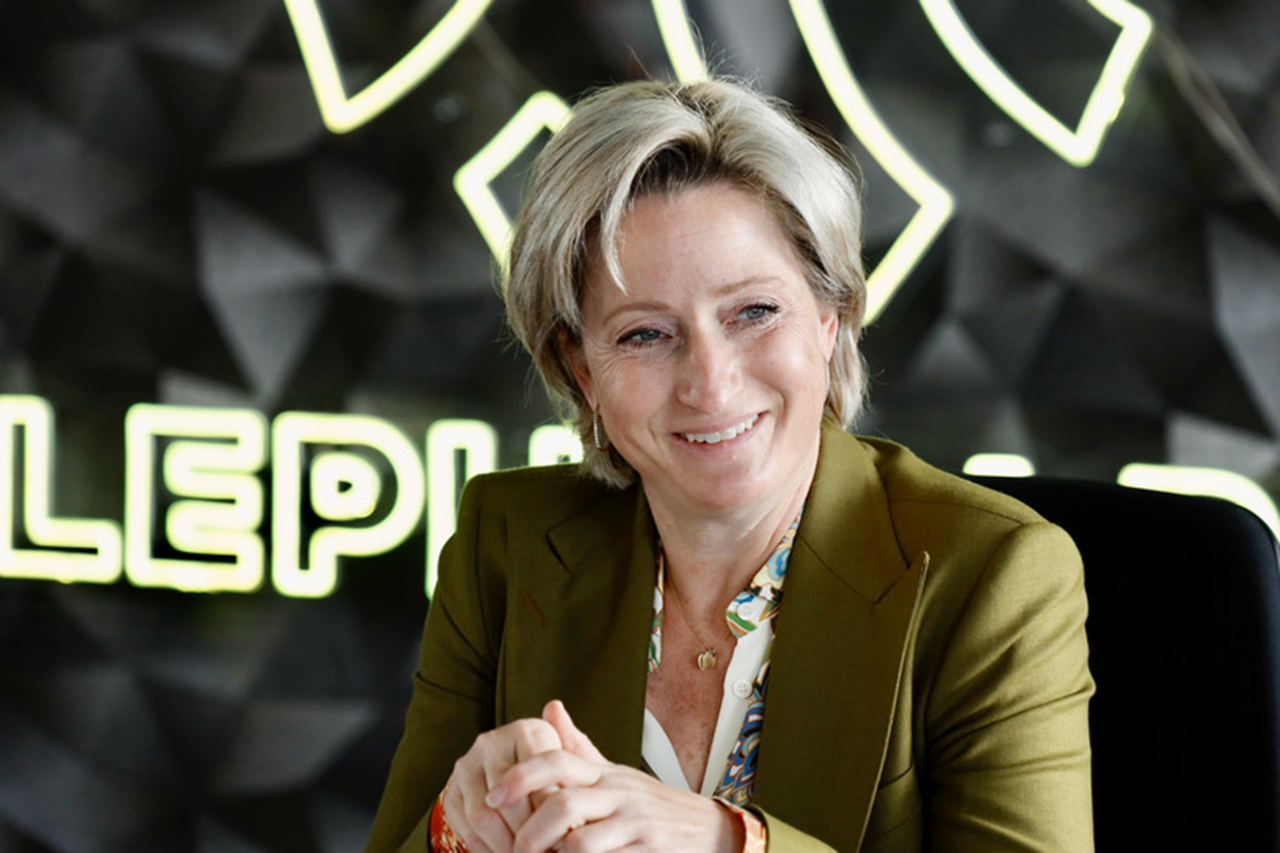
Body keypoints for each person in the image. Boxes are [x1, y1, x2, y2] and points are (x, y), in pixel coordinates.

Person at [365, 78, 1093, 853]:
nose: (710, 384)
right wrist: (457, 827)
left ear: (829, 316)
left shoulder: (993, 573)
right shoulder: (507, 541)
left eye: (754, 312)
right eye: (646, 334)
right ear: (581, 369)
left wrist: (728, 841)